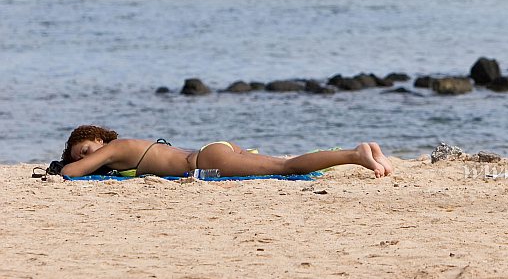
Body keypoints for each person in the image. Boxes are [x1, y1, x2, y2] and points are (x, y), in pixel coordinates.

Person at [58, 125, 394, 178]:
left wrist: (66, 164)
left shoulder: (112, 148)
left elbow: (68, 174)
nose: (85, 157)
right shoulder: (122, 150)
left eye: (85, 150)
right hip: (213, 150)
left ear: (99, 141)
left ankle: (355, 154)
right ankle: (364, 151)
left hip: (206, 160)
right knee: (279, 163)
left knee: (287, 166)